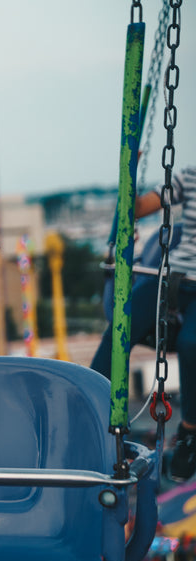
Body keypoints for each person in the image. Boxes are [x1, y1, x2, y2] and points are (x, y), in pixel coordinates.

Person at [89, 166, 196, 481]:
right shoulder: (190, 177)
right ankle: (88, 403)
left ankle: (189, 435)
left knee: (192, 345)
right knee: (121, 328)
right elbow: (136, 209)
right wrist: (129, 171)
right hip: (174, 275)